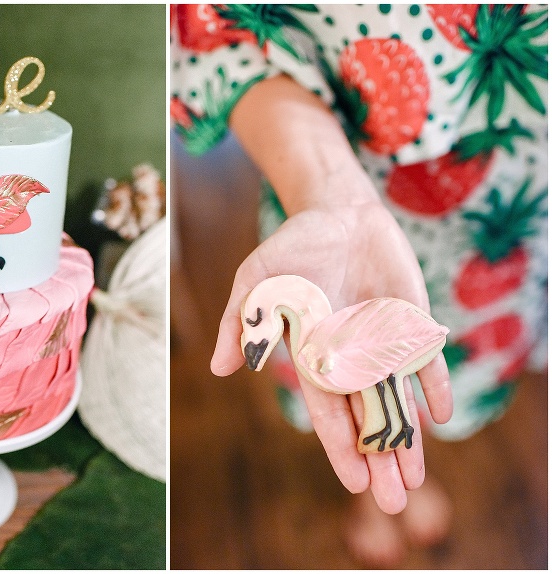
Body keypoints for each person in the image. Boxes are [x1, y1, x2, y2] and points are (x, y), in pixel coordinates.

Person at [171, 4, 547, 566]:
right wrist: (327, 192)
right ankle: (384, 490)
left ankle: (405, 476)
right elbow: (214, 30)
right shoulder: (318, 303)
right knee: (351, 398)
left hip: (502, 181)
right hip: (335, 163)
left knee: (440, 374)